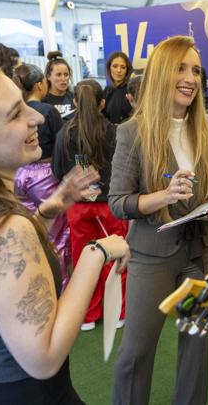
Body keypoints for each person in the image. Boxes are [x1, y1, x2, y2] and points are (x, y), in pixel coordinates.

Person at [0, 65, 130, 404]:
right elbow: (43, 358)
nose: (38, 119)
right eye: (15, 113)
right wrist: (96, 254)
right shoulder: (3, 230)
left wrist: (45, 211)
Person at [109, 35, 208, 405]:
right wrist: (164, 196)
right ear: (163, 72)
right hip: (152, 254)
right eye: (181, 68)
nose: (190, 78)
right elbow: (118, 202)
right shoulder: (132, 131)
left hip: (202, 253)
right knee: (136, 350)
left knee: (197, 345)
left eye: (196, 70)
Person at [52, 79, 128, 331]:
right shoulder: (114, 131)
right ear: (102, 103)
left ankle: (87, 315)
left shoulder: (65, 133)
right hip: (109, 208)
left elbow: (57, 170)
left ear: (74, 101)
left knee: (84, 260)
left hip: (79, 208)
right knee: (114, 258)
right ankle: (117, 312)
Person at [12, 63, 71, 291]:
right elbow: (63, 144)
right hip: (45, 176)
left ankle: (33, 284)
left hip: (19, 173)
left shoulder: (16, 110)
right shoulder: (46, 111)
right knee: (57, 238)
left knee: (28, 232)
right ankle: (60, 290)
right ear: (40, 83)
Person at [103, 51, 134, 124]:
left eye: (123, 67)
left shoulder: (133, 90)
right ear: (109, 68)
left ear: (127, 70)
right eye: (115, 66)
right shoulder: (106, 91)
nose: (119, 70)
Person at [44, 51, 76, 120]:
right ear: (48, 76)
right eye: (58, 75)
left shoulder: (75, 98)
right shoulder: (43, 100)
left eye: (66, 74)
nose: (63, 79)